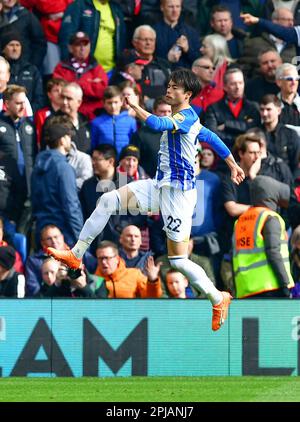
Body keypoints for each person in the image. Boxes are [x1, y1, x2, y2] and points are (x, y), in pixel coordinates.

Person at [47, 68, 245, 331]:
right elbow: (212, 138)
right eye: (170, 85)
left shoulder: (185, 117)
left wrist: (136, 107)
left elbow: (156, 123)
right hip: (159, 185)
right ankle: (75, 255)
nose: (169, 89)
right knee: (107, 201)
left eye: (174, 87)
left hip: (178, 195)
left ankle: (218, 297)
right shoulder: (189, 119)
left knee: (177, 261)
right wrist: (232, 163)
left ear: (187, 95)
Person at [233, 175, 294, 298]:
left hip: (245, 289)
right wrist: (285, 284)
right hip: (271, 286)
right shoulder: (269, 217)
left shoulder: (240, 221)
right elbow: (273, 252)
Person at [53, 31, 108, 121]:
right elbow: (58, 91)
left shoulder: (96, 67)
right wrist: (89, 84)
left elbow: (101, 91)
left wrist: (76, 85)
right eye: (78, 45)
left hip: (93, 115)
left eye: (85, 44)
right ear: (70, 48)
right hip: (67, 114)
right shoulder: (61, 67)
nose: (82, 48)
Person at [94, 241, 162, 298]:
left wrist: (153, 281)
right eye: (100, 258)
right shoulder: (92, 280)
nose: (103, 262)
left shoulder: (134, 275)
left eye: (107, 258)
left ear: (117, 259)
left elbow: (152, 299)